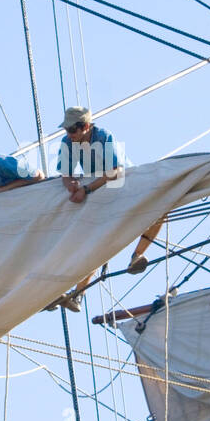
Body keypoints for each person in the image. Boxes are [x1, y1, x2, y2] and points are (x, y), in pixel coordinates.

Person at [54, 107, 164, 310]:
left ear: (85, 127)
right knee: (99, 242)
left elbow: (116, 171)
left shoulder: (104, 137)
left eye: (72, 130)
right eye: (67, 130)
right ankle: (77, 293)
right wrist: (71, 185)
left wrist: (86, 189)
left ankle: (137, 256)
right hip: (99, 189)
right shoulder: (67, 142)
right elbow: (66, 173)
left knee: (160, 210)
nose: (68, 134)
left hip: (122, 185)